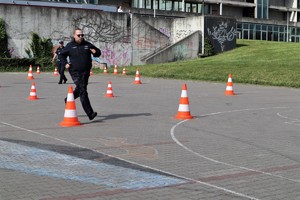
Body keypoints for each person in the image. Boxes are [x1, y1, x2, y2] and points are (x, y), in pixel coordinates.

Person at [60, 28, 101, 120]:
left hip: (85, 72)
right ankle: (90, 113)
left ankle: (68, 99)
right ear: (74, 36)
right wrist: (65, 63)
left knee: (80, 89)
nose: (81, 37)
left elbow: (98, 52)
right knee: (82, 90)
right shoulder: (70, 46)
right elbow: (61, 55)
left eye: (82, 35)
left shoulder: (87, 45)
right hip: (75, 72)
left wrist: (95, 52)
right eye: (79, 35)